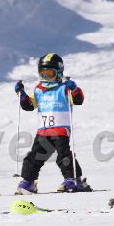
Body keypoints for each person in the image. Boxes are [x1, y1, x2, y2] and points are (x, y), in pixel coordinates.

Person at [14, 53, 91, 194]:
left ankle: (73, 179)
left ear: (59, 72)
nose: (46, 77)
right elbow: (29, 105)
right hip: (43, 132)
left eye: (49, 74)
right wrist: (22, 94)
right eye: (42, 73)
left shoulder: (64, 89)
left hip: (60, 131)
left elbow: (78, 100)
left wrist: (74, 89)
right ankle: (29, 182)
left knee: (64, 156)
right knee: (34, 157)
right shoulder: (39, 90)